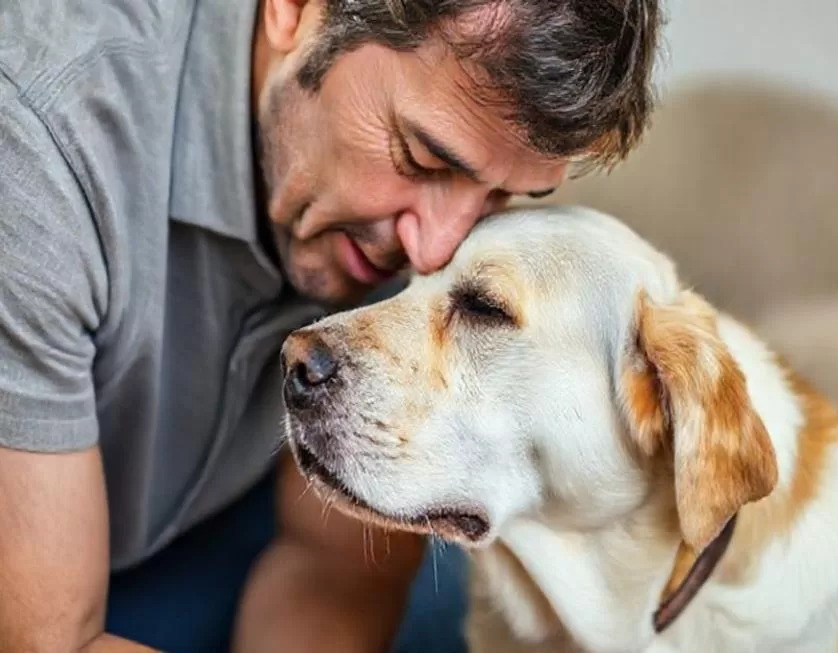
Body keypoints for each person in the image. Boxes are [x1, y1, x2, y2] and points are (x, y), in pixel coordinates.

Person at [0, 0, 662, 651]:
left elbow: (333, 565)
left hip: (200, 527)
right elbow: (47, 641)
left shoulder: (400, 211)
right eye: (422, 157)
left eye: (497, 194)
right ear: (292, 11)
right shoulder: (35, 145)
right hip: (51, 604)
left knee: (478, 588)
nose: (435, 253)